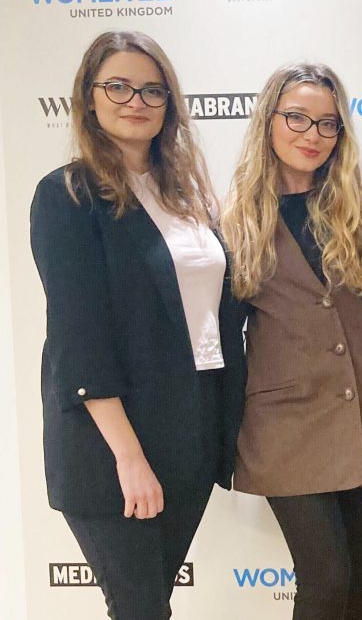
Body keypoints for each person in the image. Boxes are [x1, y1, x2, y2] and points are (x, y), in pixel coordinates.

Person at [29, 30, 246, 619]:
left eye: (153, 90)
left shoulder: (187, 197)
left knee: (151, 605)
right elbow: (80, 340)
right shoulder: (67, 196)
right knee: (140, 608)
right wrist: (129, 458)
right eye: (118, 86)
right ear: (90, 97)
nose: (136, 101)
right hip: (111, 442)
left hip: (191, 427)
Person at [221, 62, 362, 620]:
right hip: (284, 425)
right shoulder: (234, 220)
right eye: (298, 118)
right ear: (269, 120)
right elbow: (224, 331)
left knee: (359, 587)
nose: (313, 135)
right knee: (325, 579)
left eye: (328, 124)